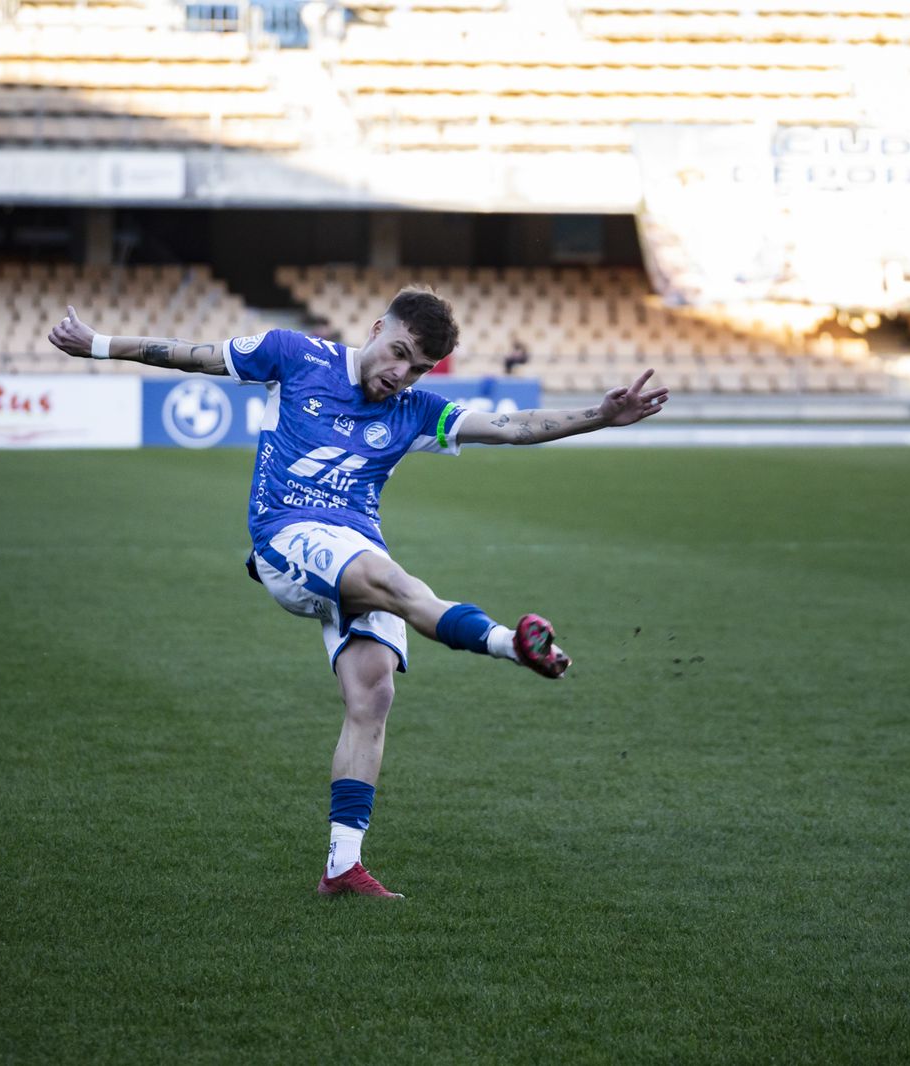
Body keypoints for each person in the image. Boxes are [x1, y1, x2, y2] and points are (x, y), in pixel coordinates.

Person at [47, 286, 669, 899]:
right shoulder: (295, 356)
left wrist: (600, 416)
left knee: (373, 693)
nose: (401, 373)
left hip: (352, 547)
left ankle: (342, 866)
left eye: (418, 367)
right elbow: (191, 354)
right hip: (286, 535)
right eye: (397, 352)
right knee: (393, 582)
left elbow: (508, 427)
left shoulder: (416, 410)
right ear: (376, 329)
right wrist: (97, 344)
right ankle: (510, 643)